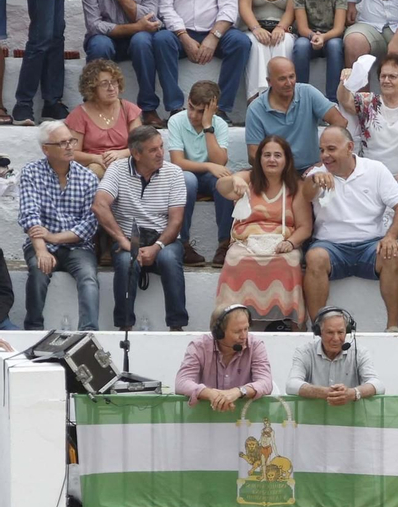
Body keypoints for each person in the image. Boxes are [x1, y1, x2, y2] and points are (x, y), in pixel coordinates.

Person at [175, 304, 275, 507]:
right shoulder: (199, 345)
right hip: (202, 427)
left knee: (235, 460)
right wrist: (211, 393)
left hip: (240, 428)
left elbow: (265, 382)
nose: (245, 335)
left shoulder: (256, 345)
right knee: (202, 461)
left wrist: (237, 392)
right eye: (238, 331)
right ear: (218, 332)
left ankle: (223, 503)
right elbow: (182, 382)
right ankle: (200, 504)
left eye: (246, 329)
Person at [304, 126, 398, 332]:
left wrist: (391, 237)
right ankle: (318, 328)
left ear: (350, 147)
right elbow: (305, 193)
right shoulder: (318, 174)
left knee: (391, 254)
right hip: (330, 246)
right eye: (322, 150)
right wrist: (314, 180)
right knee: (315, 257)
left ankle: (393, 328)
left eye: (331, 149)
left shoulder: (375, 169)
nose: (325, 155)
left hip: (371, 244)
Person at [290, 306, 383, 507]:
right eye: (330, 333)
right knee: (314, 467)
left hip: (347, 429)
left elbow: (378, 384)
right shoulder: (304, 351)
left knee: (342, 469)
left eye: (341, 332)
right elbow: (291, 384)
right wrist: (324, 393)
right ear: (318, 333)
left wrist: (353, 393)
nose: (336, 338)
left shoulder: (359, 351)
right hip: (314, 430)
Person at [338, 55, 398, 261]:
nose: (386, 80)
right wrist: (344, 83)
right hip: (371, 171)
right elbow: (345, 101)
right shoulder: (369, 101)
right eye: (383, 76)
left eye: (392, 76)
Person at [82, 0, 184, 127]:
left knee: (143, 40)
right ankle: (95, 104)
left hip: (137, 39)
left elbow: (151, 18)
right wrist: (136, 26)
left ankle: (148, 108)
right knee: (99, 44)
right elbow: (94, 25)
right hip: (106, 38)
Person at [93, 124, 188, 331]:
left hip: (164, 236)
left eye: (161, 147)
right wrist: (123, 241)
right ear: (136, 153)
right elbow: (99, 205)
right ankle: (125, 327)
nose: (161, 153)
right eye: (153, 150)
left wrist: (157, 247)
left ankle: (177, 326)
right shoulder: (117, 169)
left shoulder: (174, 173)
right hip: (130, 236)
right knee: (127, 262)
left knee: (169, 259)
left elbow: (176, 221)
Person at [215, 133, 314, 327]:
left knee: (291, 260)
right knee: (234, 259)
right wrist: (234, 180)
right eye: (266, 155)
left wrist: (290, 243)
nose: (272, 160)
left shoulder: (297, 187)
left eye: (277, 155)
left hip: (282, 243)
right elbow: (221, 187)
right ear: (259, 158)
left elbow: (304, 227)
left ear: (286, 160)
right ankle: (230, 322)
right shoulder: (247, 178)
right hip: (246, 242)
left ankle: (291, 322)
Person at [18, 121, 101, 330]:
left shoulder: (88, 177)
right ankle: (33, 329)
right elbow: (30, 214)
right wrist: (41, 250)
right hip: (42, 244)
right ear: (46, 149)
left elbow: (90, 223)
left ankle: (89, 333)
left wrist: (54, 237)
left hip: (77, 246)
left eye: (71, 141)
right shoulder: (31, 172)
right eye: (62, 143)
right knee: (38, 272)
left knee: (89, 277)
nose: (70, 146)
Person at [169, 80, 237, 268]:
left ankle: (225, 243)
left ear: (212, 110)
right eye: (191, 108)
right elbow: (177, 162)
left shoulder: (219, 124)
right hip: (186, 174)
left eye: (201, 112)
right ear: (188, 101)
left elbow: (220, 162)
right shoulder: (176, 120)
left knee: (224, 180)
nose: (194, 115)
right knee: (187, 180)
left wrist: (208, 127)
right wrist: (208, 166)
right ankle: (182, 243)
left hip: (208, 176)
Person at [246, 57, 348, 167]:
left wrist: (323, 161)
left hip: (312, 170)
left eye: (292, 76)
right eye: (282, 79)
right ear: (269, 81)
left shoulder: (308, 92)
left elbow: (340, 122)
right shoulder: (255, 108)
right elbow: (253, 155)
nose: (289, 83)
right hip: (276, 173)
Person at [65, 60, 144, 180]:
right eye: (104, 84)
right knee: (95, 170)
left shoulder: (129, 109)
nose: (111, 88)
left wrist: (120, 154)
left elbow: (141, 144)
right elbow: (72, 152)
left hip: (126, 162)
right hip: (93, 166)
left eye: (114, 82)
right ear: (92, 88)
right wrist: (95, 158)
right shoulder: (79, 114)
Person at [290, 0, 350, 100]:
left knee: (335, 45)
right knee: (301, 46)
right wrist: (313, 36)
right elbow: (302, 28)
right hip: (308, 36)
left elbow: (339, 28)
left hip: (331, 36)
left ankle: (332, 99)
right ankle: (300, 97)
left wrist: (323, 37)